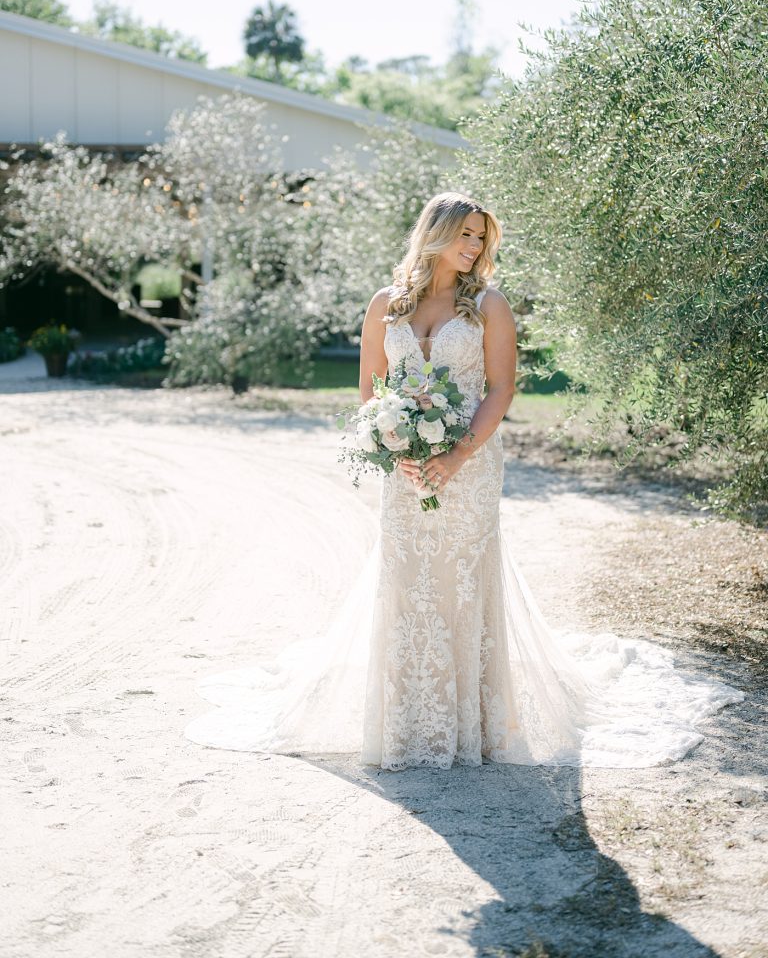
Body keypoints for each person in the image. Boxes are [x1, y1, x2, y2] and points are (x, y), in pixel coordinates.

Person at [185, 192, 743, 769]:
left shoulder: (489, 305)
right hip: (405, 469)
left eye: (482, 237)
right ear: (436, 233)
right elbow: (371, 390)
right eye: (467, 235)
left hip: (471, 465)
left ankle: (471, 724)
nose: (475, 247)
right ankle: (405, 721)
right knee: (406, 581)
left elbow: (501, 387)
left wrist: (456, 456)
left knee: (461, 580)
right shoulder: (385, 304)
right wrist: (392, 443)